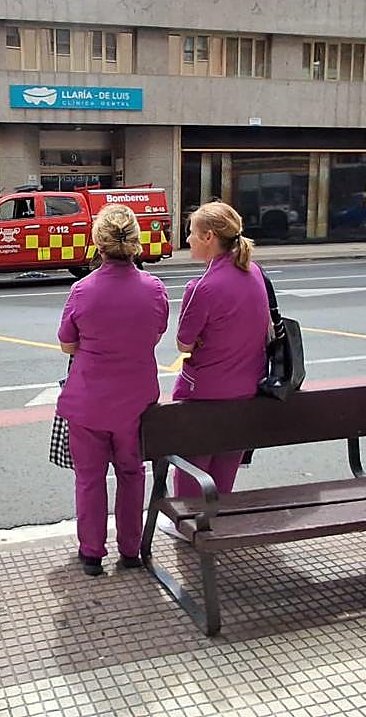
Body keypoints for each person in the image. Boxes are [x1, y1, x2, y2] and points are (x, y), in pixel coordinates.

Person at [57, 205, 169, 576]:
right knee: (131, 473)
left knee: (89, 479)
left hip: (88, 402)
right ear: (136, 243)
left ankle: (91, 553)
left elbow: (67, 344)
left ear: (97, 243)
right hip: (137, 401)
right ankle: (131, 549)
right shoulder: (154, 289)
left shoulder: (82, 290)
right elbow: (156, 333)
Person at [159, 201, 269, 537]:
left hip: (203, 393)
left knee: (192, 466)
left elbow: (184, 343)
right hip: (247, 390)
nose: (187, 239)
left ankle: (190, 526)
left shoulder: (201, 288)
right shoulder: (254, 274)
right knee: (226, 461)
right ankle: (219, 520)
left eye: (191, 233)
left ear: (208, 236)